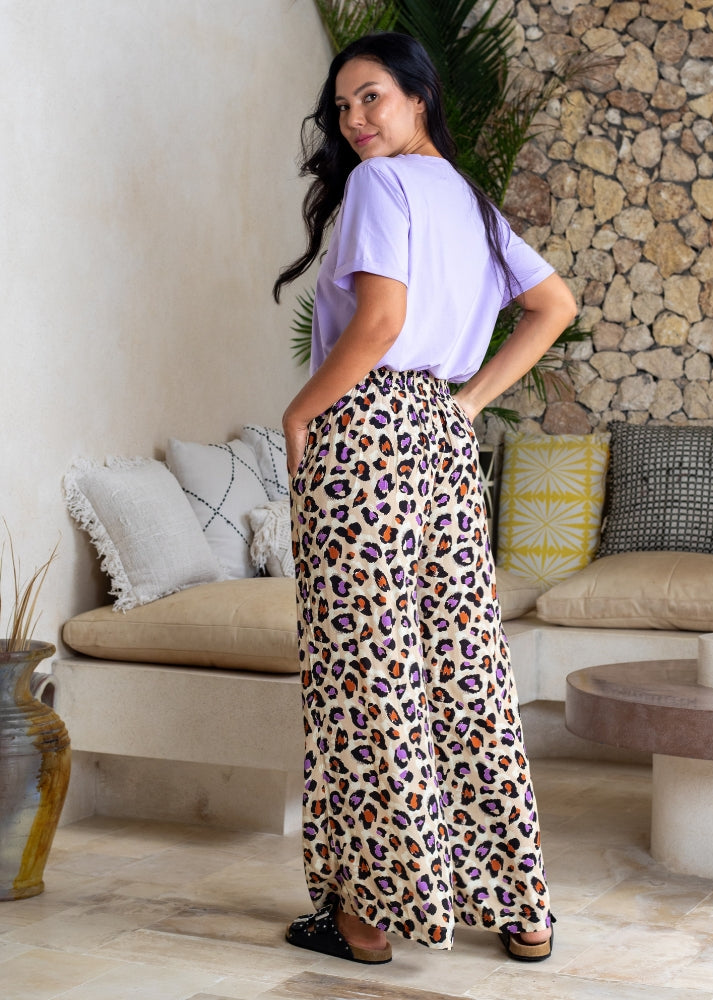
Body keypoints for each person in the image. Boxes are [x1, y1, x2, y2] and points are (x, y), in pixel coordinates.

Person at [272, 31, 577, 966]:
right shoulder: (469, 200)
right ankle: (521, 906)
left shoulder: (381, 185)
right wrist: (469, 402)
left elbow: (381, 321)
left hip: (364, 432)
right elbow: (555, 304)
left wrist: (301, 410)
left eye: (371, 96)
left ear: (418, 95)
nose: (354, 120)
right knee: (464, 664)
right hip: (442, 439)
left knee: (366, 671)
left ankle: (366, 918)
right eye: (342, 107)